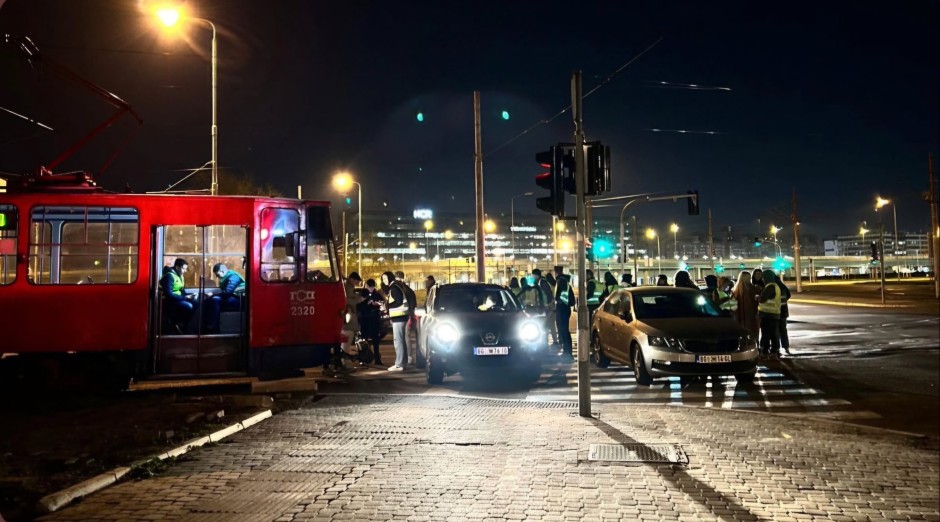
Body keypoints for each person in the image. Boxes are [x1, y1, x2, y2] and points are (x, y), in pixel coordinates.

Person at [205, 263, 246, 333]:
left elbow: (227, 292)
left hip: (240, 300)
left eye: (217, 274)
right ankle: (210, 324)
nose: (217, 277)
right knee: (211, 300)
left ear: (222, 272)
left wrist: (212, 294)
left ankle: (213, 326)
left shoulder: (233, 277)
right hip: (234, 297)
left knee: (215, 300)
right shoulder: (227, 277)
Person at [161, 258, 196, 334]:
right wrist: (184, 298)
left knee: (196, 302)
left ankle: (184, 325)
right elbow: (168, 294)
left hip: (178, 298)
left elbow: (181, 290)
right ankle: (177, 323)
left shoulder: (180, 276)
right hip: (170, 300)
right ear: (177, 267)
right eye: (183, 268)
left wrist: (189, 295)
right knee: (188, 306)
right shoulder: (169, 276)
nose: (185, 271)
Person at [384, 271, 410, 371]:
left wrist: (388, 306)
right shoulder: (396, 287)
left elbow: (398, 301)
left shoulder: (394, 288)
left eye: (385, 278)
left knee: (398, 342)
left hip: (399, 317)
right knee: (401, 341)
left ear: (390, 278)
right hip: (401, 317)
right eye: (383, 279)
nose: (384, 281)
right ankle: (403, 362)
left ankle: (399, 364)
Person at [357, 278, 386, 366]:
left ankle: (377, 358)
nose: (371, 289)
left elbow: (382, 303)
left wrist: (378, 304)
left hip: (374, 319)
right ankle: (363, 358)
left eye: (372, 287)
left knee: (375, 340)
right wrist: (367, 304)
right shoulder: (362, 294)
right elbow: (358, 306)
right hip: (365, 319)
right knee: (363, 339)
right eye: (370, 287)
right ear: (366, 286)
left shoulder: (377, 294)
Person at [757, 269, 782, 357]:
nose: (763, 279)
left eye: (763, 278)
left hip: (767, 314)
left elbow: (762, 299)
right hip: (775, 314)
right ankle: (775, 350)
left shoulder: (770, 287)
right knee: (773, 333)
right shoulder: (776, 286)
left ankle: (765, 350)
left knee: (766, 333)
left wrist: (757, 297)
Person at [395, 271, 418, 365]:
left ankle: (407, 357)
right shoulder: (407, 289)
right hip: (406, 315)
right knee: (405, 337)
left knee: (404, 337)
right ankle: (408, 357)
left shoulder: (401, 289)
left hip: (404, 316)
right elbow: (413, 302)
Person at [732, 271, 759, 341]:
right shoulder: (739, 288)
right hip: (743, 312)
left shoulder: (750, 287)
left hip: (750, 312)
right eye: (747, 277)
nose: (749, 279)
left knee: (750, 328)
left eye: (749, 278)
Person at [531, 268, 555, 346]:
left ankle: (547, 341)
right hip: (544, 306)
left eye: (533, 275)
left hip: (546, 307)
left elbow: (548, 294)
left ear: (536, 275)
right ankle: (549, 340)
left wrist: (547, 304)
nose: (532, 277)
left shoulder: (542, 282)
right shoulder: (539, 282)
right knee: (547, 324)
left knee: (547, 324)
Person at [554, 271, 574, 358]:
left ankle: (567, 351)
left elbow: (557, 297)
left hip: (562, 309)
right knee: (564, 330)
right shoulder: (567, 285)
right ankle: (567, 350)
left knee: (564, 331)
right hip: (566, 309)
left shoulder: (561, 284)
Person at [776, 274, 792, 354]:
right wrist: (784, 302)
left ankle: (777, 348)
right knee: (783, 330)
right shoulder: (782, 286)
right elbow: (789, 295)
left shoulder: (773, 286)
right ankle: (786, 347)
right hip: (784, 312)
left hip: (775, 312)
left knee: (775, 331)